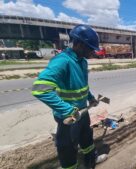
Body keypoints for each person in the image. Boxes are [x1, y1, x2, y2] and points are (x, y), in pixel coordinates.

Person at [32, 25, 106, 169]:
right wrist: (67, 110)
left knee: (86, 137)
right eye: (90, 48)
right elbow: (40, 89)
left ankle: (91, 161)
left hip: (83, 111)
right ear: (78, 44)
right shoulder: (62, 61)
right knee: (67, 147)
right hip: (69, 117)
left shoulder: (82, 61)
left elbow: (82, 85)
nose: (92, 52)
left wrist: (90, 97)